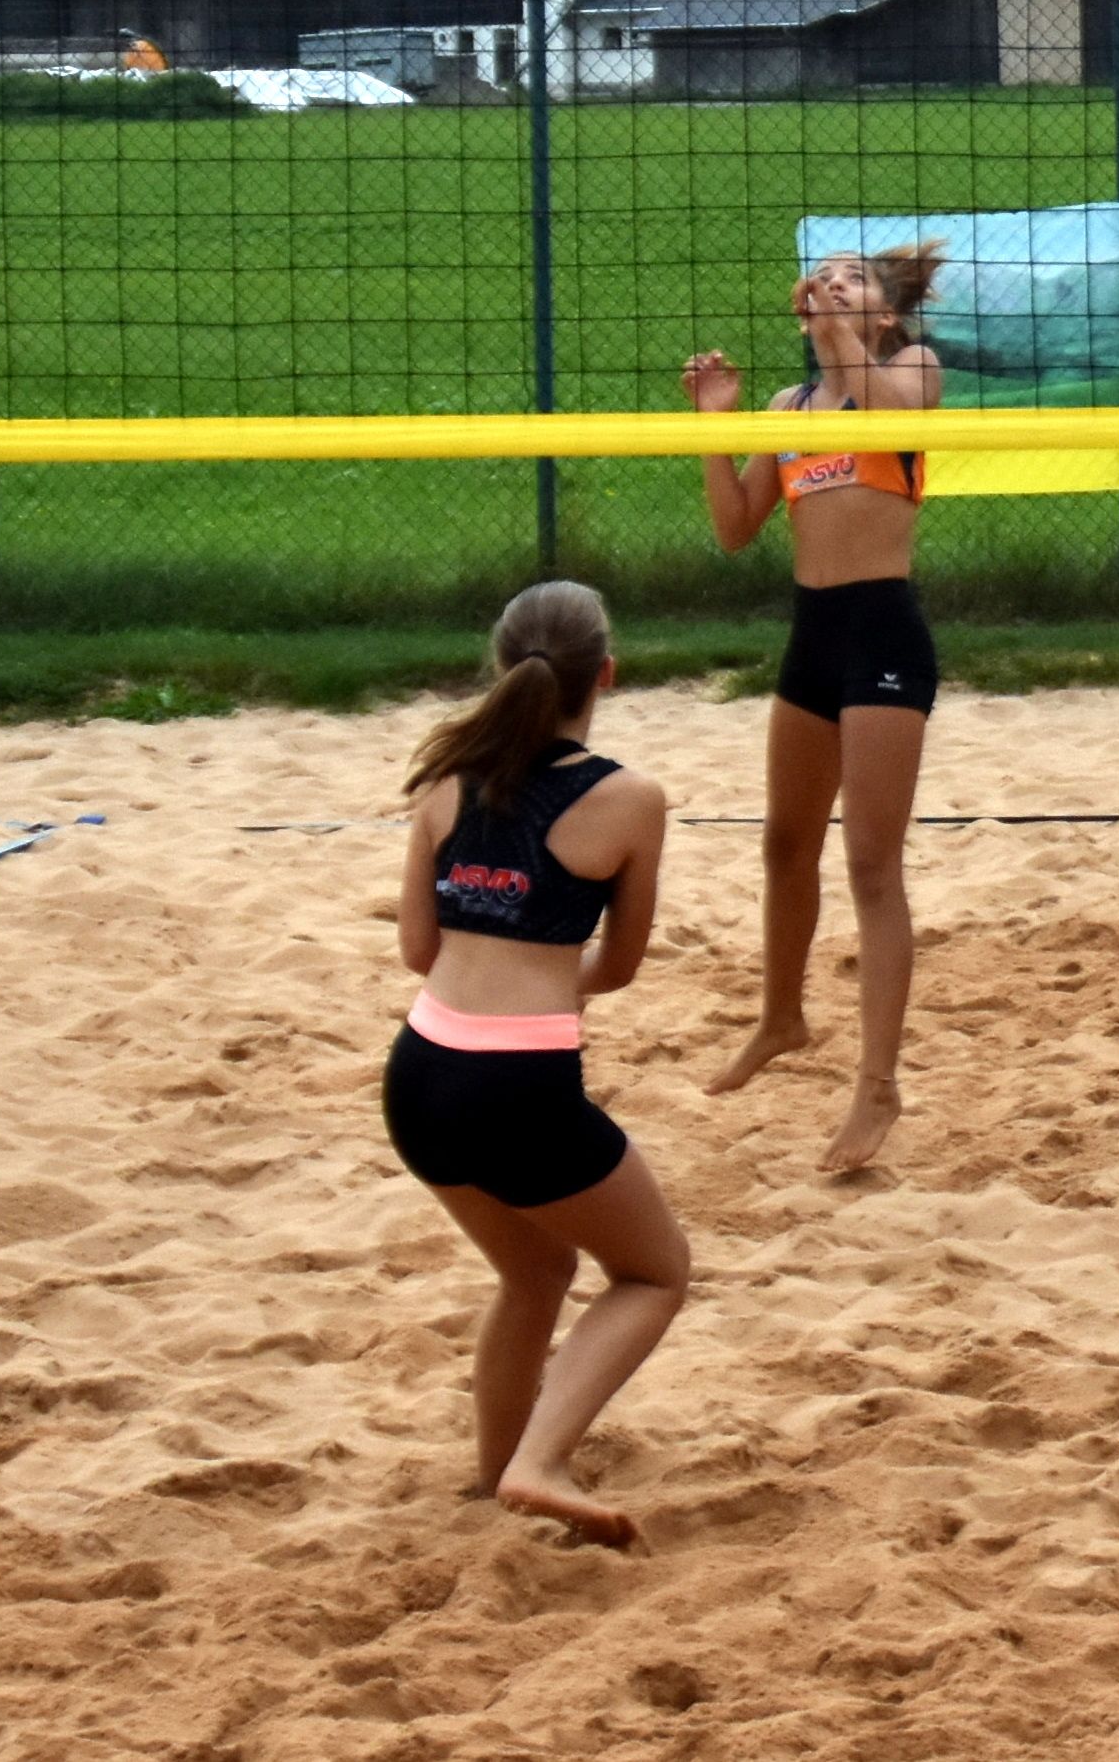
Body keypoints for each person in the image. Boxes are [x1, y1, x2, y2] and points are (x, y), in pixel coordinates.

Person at [383, 580, 685, 1550]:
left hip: (418, 1075)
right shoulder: (629, 799)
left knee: (535, 1269)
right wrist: (555, 983)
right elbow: (621, 965)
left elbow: (419, 951)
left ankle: (494, 1473)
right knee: (652, 1273)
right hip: (517, 1084)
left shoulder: (444, 778)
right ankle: (538, 1461)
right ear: (606, 675)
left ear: (501, 663)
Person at [678, 240, 945, 1174]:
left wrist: (839, 337)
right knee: (784, 846)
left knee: (871, 866)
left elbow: (887, 418)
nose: (833, 281)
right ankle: (780, 1018)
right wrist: (716, 425)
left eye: (854, 278)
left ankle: (877, 1086)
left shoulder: (911, 369)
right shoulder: (789, 408)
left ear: (885, 314)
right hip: (812, 635)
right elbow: (734, 529)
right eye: (823, 274)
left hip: (883, 635)